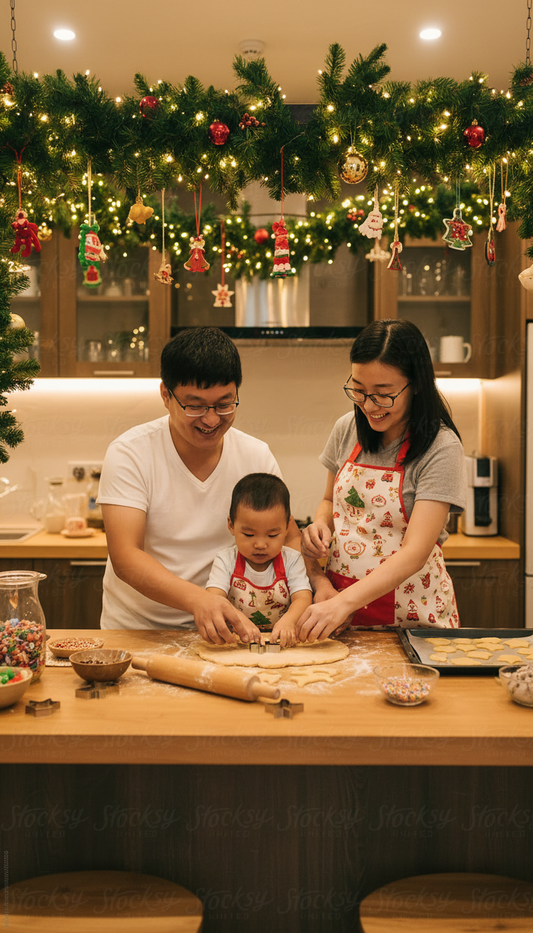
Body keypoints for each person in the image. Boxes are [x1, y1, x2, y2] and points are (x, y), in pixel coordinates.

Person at [98, 326, 300, 642]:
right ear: (166, 395)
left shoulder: (255, 455)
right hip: (138, 630)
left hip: (230, 631)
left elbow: (287, 539)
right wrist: (199, 600)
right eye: (195, 406)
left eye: (224, 404)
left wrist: (304, 596)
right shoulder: (130, 452)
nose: (210, 419)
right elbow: (126, 557)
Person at [296, 318, 467, 642]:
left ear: (415, 384)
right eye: (358, 390)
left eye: (383, 394)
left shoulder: (441, 448)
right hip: (340, 613)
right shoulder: (347, 427)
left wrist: (343, 605)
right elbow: (331, 501)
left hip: (413, 622)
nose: (369, 405)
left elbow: (415, 552)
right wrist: (321, 525)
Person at [206, 474, 313, 647]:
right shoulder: (225, 560)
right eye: (249, 534)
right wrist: (238, 620)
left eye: (272, 535)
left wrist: (289, 621)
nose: (260, 544)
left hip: (281, 642)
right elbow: (213, 597)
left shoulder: (291, 560)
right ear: (231, 525)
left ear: (287, 527)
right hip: (236, 642)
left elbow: (303, 598)